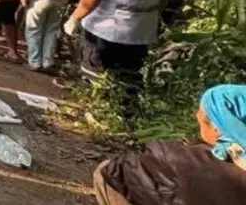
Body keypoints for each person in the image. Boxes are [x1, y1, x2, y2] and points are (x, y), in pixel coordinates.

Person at [93, 85, 246, 204]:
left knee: (107, 172)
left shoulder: (182, 157)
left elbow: (115, 173)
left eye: (201, 115)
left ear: (217, 127)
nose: (196, 116)